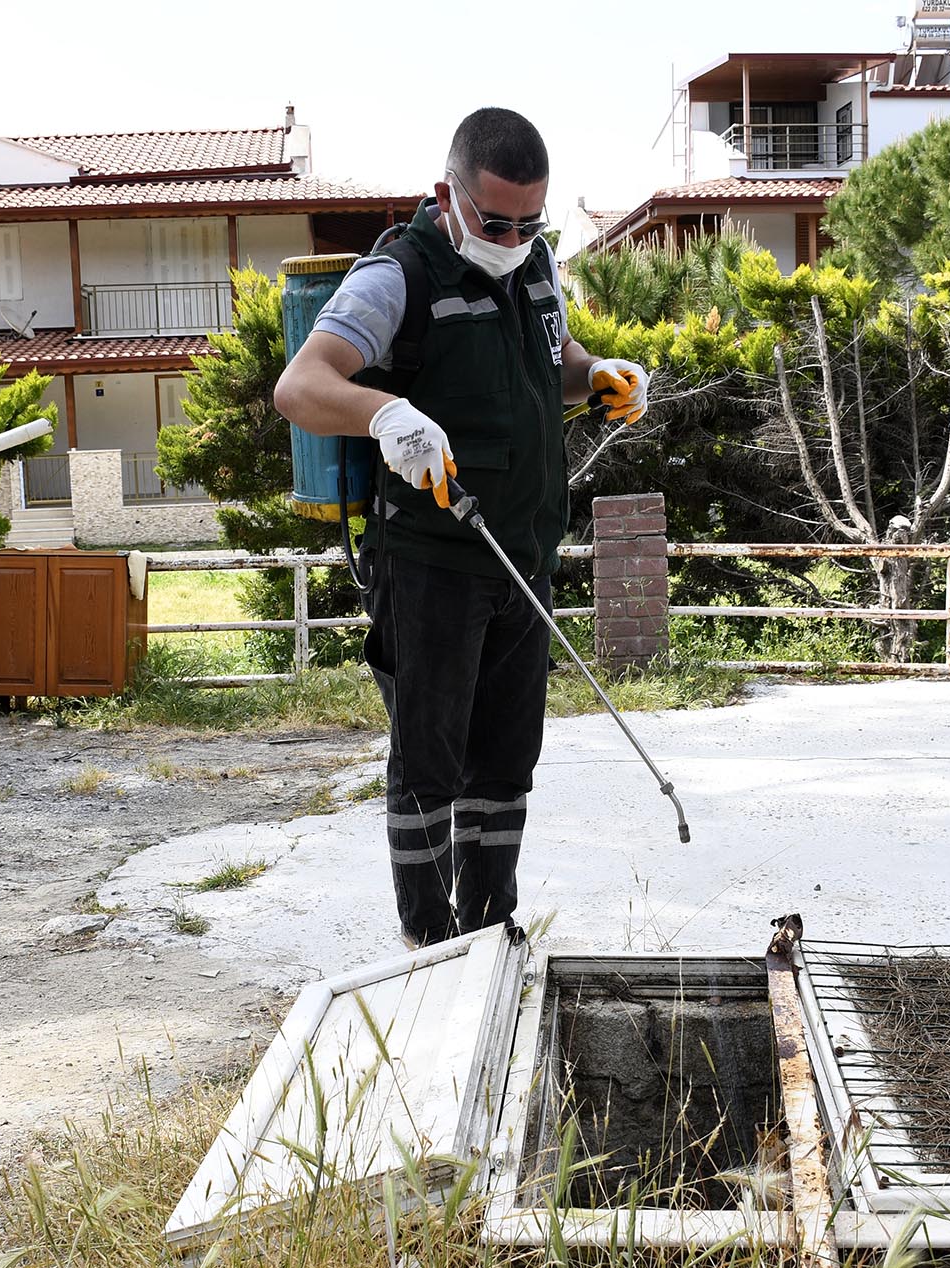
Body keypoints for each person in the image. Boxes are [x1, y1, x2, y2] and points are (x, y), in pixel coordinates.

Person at [272, 107, 649, 948]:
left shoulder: (535, 266)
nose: (513, 237)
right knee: (429, 767)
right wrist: (384, 414)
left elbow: (551, 362)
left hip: (524, 556)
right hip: (431, 563)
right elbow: (300, 388)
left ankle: (490, 924)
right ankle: (429, 944)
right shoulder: (397, 276)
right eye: (495, 221)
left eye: (530, 222)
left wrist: (600, 375)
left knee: (507, 760)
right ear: (448, 194)